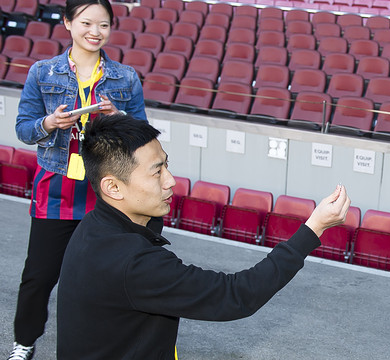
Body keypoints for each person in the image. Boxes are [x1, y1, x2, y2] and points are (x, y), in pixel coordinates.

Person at [55, 114, 351, 358]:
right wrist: (314, 229)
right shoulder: (132, 262)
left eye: (166, 164)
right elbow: (236, 295)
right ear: (113, 187)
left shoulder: (94, 227)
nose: (171, 180)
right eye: (157, 172)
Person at [9, 0, 146, 359]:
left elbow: (143, 133)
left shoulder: (125, 77)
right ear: (68, 23)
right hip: (56, 187)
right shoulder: (42, 72)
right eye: (86, 23)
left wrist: (121, 118)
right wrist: (48, 124)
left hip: (105, 191)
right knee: (38, 277)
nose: (94, 32)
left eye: (103, 25)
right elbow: (24, 128)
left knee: (104, 279)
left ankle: (106, 346)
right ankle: (24, 343)